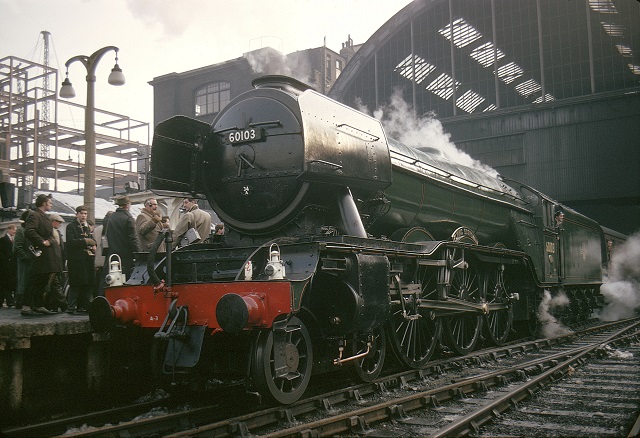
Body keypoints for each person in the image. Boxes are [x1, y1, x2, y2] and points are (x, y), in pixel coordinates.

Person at [23, 194, 59, 316]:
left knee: (42, 279)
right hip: (40, 252)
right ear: (44, 203)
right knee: (35, 278)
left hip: (46, 252)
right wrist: (42, 241)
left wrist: (50, 240)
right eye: (50, 202)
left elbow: (49, 234)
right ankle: (27, 305)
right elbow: (29, 231)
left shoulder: (45, 217)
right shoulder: (34, 215)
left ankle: (38, 305)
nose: (51, 204)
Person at [98, 196, 141, 296]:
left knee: (107, 278)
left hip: (111, 253)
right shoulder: (128, 218)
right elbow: (133, 239)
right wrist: (138, 254)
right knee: (124, 280)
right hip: (125, 255)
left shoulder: (111, 217)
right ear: (128, 205)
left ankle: (101, 300)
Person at [65, 206, 97, 313]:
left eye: (85, 214)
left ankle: (83, 305)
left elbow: (91, 240)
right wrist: (85, 241)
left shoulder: (86, 227)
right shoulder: (71, 227)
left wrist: (93, 245)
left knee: (87, 283)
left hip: (87, 260)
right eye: (82, 213)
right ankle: (71, 306)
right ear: (77, 214)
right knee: (76, 284)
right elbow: (70, 242)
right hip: (76, 261)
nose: (84, 216)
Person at [46, 213, 68, 313]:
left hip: (57, 262)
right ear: (53, 222)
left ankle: (53, 305)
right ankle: (63, 305)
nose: (59, 224)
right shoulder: (51, 232)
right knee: (55, 284)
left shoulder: (57, 232)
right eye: (58, 222)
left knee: (53, 284)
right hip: (53, 262)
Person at [13, 210, 33, 309]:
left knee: (28, 281)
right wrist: (25, 257)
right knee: (22, 281)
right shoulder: (21, 230)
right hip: (24, 260)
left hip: (31, 259)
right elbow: (17, 247)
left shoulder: (30, 230)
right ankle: (20, 301)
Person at [93, 211, 113, 297]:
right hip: (107, 259)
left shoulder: (96, 229)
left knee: (98, 281)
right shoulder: (111, 228)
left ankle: (97, 298)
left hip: (98, 259)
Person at [0, 224, 17, 308]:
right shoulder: (3, 240)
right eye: (14, 230)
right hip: (5, 265)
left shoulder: (13, 240)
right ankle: (8, 301)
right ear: (9, 229)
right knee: (5, 283)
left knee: (8, 283)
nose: (15, 231)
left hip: (11, 265)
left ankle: (8, 300)